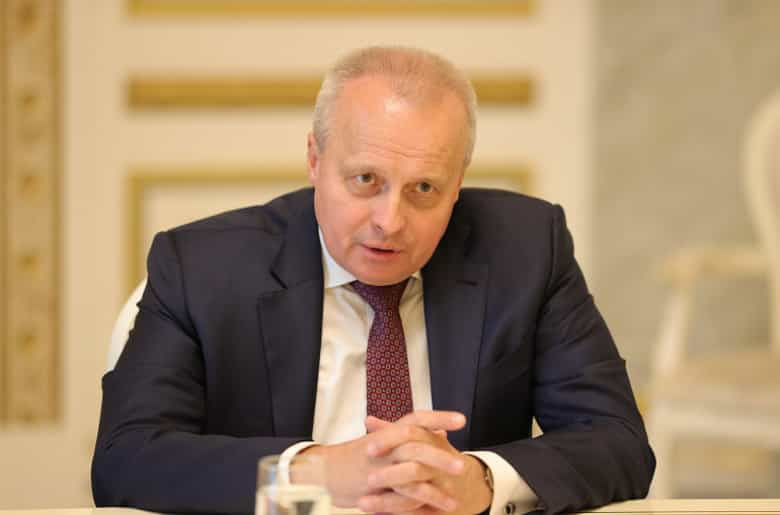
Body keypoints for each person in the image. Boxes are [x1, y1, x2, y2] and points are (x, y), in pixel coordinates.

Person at [92, 46, 654, 515]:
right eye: (365, 179)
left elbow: (618, 442)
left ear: (458, 183)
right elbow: (126, 457)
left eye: (424, 189)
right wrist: (316, 470)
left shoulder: (527, 248)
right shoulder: (202, 266)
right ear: (315, 159)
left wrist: (479, 480)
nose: (390, 221)